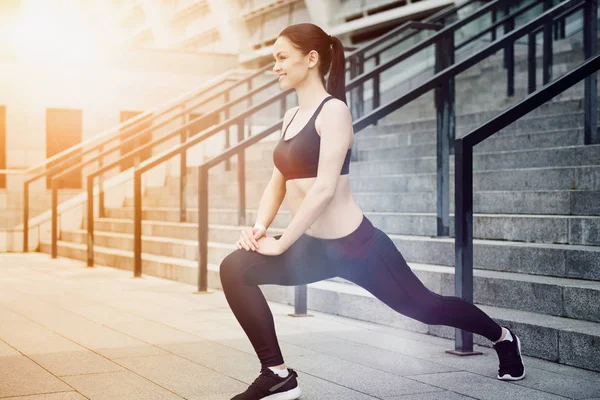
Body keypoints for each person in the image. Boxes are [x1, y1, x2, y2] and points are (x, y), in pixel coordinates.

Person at [219, 23, 525, 400]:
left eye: (282, 58)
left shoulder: (334, 112)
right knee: (234, 267)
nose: (275, 67)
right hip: (312, 248)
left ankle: (503, 337)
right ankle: (277, 374)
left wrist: (281, 244)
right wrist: (259, 228)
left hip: (358, 247)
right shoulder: (290, 118)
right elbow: (277, 182)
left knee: (426, 307)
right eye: (274, 60)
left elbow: (324, 190)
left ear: (311, 59)